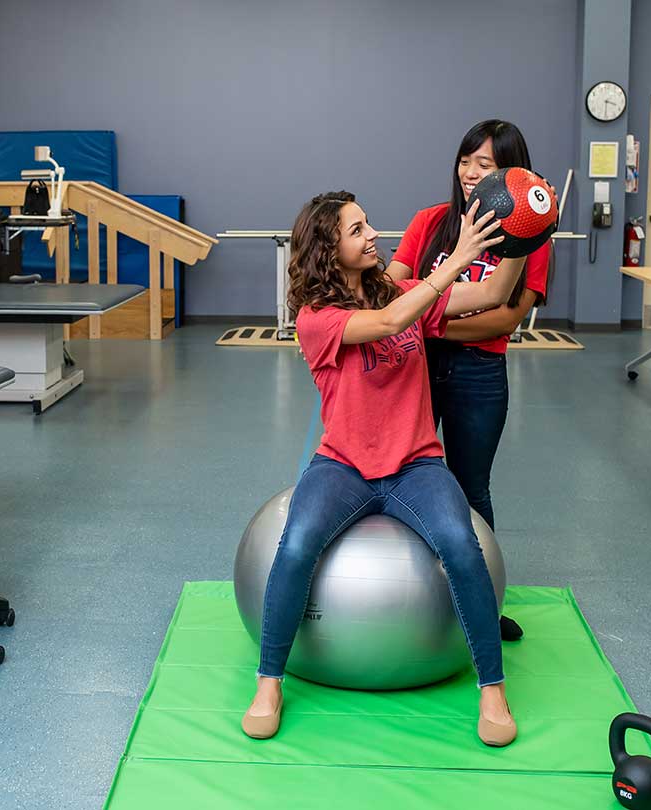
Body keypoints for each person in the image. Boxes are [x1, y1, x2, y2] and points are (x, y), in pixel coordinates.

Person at [243, 189, 539, 748]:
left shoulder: (405, 293)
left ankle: (493, 690)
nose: (372, 234)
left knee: (460, 542)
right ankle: (269, 682)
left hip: (416, 465)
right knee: (297, 542)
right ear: (329, 250)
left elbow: (497, 290)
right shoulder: (317, 319)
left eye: (368, 223)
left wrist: (525, 232)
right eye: (357, 230)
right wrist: (450, 264)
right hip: (344, 465)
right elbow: (384, 323)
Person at [387, 120, 554, 643]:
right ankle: (402, 595)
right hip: (413, 366)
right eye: (466, 160)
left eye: (486, 165)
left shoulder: (527, 236)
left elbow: (504, 320)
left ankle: (482, 601)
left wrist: (427, 317)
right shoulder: (432, 221)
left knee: (469, 486)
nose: (471, 173)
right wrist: (415, 316)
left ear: (512, 175)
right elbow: (392, 285)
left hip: (479, 374)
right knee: (400, 475)